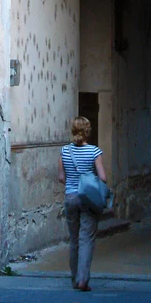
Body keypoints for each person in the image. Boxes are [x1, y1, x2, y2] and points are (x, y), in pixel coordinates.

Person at [58, 116, 107, 292]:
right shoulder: (95, 151)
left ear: (72, 130)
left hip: (70, 197)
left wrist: (73, 184)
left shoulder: (64, 151)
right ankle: (82, 280)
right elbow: (103, 178)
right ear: (87, 131)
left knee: (74, 240)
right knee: (86, 239)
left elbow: (61, 177)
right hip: (87, 199)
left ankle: (74, 279)